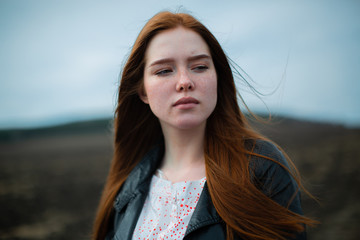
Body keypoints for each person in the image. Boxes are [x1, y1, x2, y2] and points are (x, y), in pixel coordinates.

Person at [93, 11, 316, 240]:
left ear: (218, 78)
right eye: (164, 70)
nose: (185, 82)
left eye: (199, 67)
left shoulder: (261, 170)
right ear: (142, 90)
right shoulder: (129, 185)